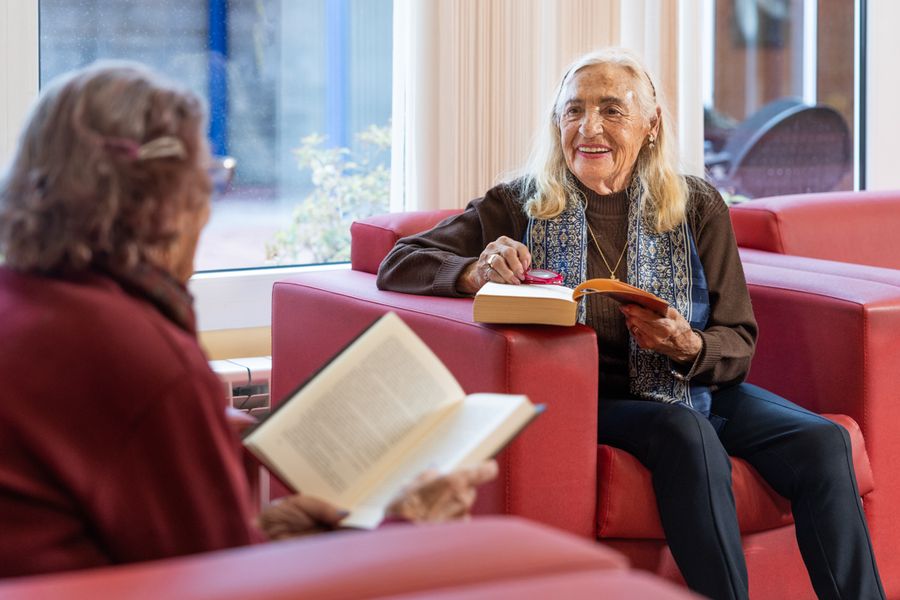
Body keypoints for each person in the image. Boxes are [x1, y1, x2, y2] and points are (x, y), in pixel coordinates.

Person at [376, 48, 884, 600]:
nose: (589, 127)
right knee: (681, 432)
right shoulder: (519, 203)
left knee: (824, 441)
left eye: (612, 110)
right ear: (557, 123)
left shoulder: (697, 205)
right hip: (595, 399)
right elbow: (399, 261)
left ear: (650, 124)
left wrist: (689, 344)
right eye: (573, 111)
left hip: (694, 383)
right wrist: (475, 269)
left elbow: (738, 340)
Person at [0, 61, 497, 579]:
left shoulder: (20, 299)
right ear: (166, 207)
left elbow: (163, 547)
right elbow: (217, 589)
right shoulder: (141, 358)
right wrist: (403, 531)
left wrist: (265, 534)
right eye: (209, 182)